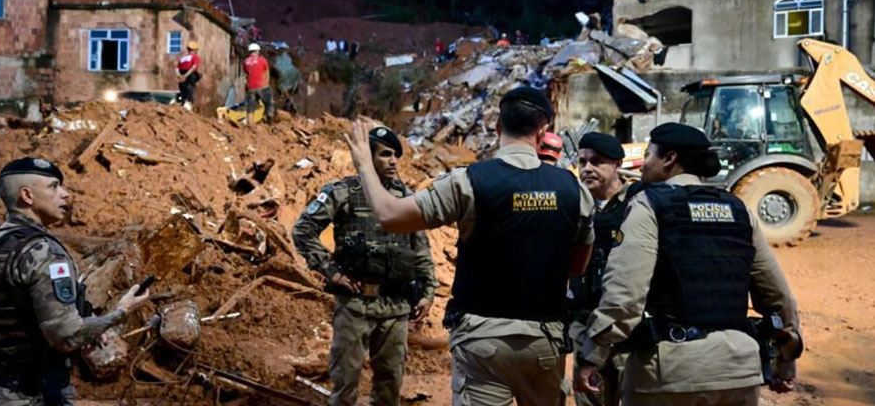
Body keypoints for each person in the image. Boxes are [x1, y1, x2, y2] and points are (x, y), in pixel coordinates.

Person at [344, 86, 596, 406]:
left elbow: (390, 215)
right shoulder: (574, 190)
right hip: (545, 341)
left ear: (498, 128)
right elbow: (576, 267)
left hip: (483, 340)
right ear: (543, 131)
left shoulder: (468, 182)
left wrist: (365, 164)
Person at [573, 123, 803, 405]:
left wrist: (592, 355)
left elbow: (625, 295)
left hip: (669, 373)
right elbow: (779, 297)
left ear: (669, 159)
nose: (643, 165)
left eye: (648, 155)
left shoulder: (649, 204)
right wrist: (787, 357)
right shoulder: (739, 209)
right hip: (739, 372)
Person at [0, 157, 151, 406]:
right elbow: (67, 337)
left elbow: (11, 316)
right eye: (54, 187)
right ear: (27, 196)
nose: (65, 195)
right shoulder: (44, 252)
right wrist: (120, 312)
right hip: (36, 394)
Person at [292, 127, 438, 406]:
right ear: (368, 159)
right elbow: (303, 231)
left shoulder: (407, 198)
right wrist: (331, 271)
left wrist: (427, 291)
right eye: (385, 155)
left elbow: (420, 249)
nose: (393, 160)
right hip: (355, 306)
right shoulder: (343, 192)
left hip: (396, 306)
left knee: (389, 385)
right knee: (345, 384)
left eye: (396, 155)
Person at [567, 132, 634, 406]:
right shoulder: (574, 204)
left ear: (617, 164)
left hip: (626, 328)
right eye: (582, 161)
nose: (587, 169)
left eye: (597, 162)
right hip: (585, 325)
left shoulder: (640, 203)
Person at [243, 43, 273, 125]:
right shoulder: (262, 60)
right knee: (269, 104)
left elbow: (247, 74)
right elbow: (267, 72)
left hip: (251, 88)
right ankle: (269, 121)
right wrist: (266, 84)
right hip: (262, 86)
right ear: (257, 51)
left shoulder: (245, 61)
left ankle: (250, 124)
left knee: (250, 108)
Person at [176, 41, 202, 110]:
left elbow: (176, 68)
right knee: (190, 89)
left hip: (181, 74)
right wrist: (185, 76)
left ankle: (183, 103)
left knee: (183, 90)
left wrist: (180, 76)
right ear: (194, 49)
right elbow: (193, 67)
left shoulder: (182, 58)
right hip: (190, 75)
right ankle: (189, 105)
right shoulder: (195, 57)